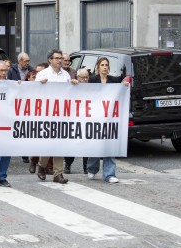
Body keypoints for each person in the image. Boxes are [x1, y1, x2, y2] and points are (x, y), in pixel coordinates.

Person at [35, 49, 79, 184]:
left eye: (61, 58)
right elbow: (31, 93)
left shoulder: (65, 75)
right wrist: (39, 84)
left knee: (59, 143)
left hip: (61, 114)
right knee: (48, 143)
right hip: (47, 114)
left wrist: (74, 85)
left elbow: (69, 94)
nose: (60, 60)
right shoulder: (42, 74)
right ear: (50, 60)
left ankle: (57, 174)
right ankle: (42, 165)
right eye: (57, 58)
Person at [86, 57, 125, 183]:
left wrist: (124, 85)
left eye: (106, 65)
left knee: (109, 144)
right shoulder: (92, 80)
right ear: (98, 67)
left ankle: (109, 174)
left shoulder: (113, 80)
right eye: (102, 65)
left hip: (109, 119)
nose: (104, 67)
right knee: (95, 144)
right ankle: (92, 169)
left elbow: (121, 89)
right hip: (95, 117)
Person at [64, 68, 90, 174]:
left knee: (87, 144)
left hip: (88, 119)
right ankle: (68, 165)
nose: (84, 79)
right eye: (82, 77)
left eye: (86, 77)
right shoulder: (72, 87)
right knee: (72, 143)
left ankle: (86, 167)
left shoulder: (92, 87)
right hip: (74, 119)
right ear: (77, 77)